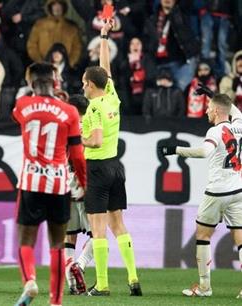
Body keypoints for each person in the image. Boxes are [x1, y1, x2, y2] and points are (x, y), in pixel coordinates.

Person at [12, 62, 86, 306]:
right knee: (57, 244)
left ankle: (30, 280)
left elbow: (17, 112)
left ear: (31, 82)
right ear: (56, 82)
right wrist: (84, 183)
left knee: (25, 240)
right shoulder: (70, 112)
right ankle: (56, 302)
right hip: (59, 184)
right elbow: (77, 155)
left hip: (31, 182)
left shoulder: (23, 105)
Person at [159, 89, 242, 298]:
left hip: (217, 192)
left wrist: (175, 150)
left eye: (208, 108)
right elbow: (230, 107)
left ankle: (205, 288)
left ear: (215, 111)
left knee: (203, 235)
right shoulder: (239, 125)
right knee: (241, 239)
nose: (206, 111)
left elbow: (204, 152)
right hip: (238, 190)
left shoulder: (215, 132)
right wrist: (213, 94)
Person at [80, 19, 141, 296]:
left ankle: (102, 284)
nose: (82, 87)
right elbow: (105, 69)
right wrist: (104, 36)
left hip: (98, 169)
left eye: (84, 83)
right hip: (117, 167)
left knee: (98, 228)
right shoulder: (112, 97)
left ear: (91, 85)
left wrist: (76, 140)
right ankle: (133, 278)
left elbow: (94, 140)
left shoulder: (93, 107)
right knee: (119, 225)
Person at [63, 94, 93, 296]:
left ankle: (72, 284)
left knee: (69, 237)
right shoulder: (90, 128)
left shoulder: (62, 128)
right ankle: (80, 265)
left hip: (65, 184)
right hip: (86, 182)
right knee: (98, 234)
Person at [26, 0, 82, 68]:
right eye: (54, 5)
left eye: (59, 5)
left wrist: (68, 64)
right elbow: (32, 45)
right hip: (44, 68)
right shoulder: (39, 25)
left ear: (64, 7)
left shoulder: (71, 27)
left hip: (65, 70)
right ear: (50, 7)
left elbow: (77, 48)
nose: (57, 8)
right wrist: (40, 62)